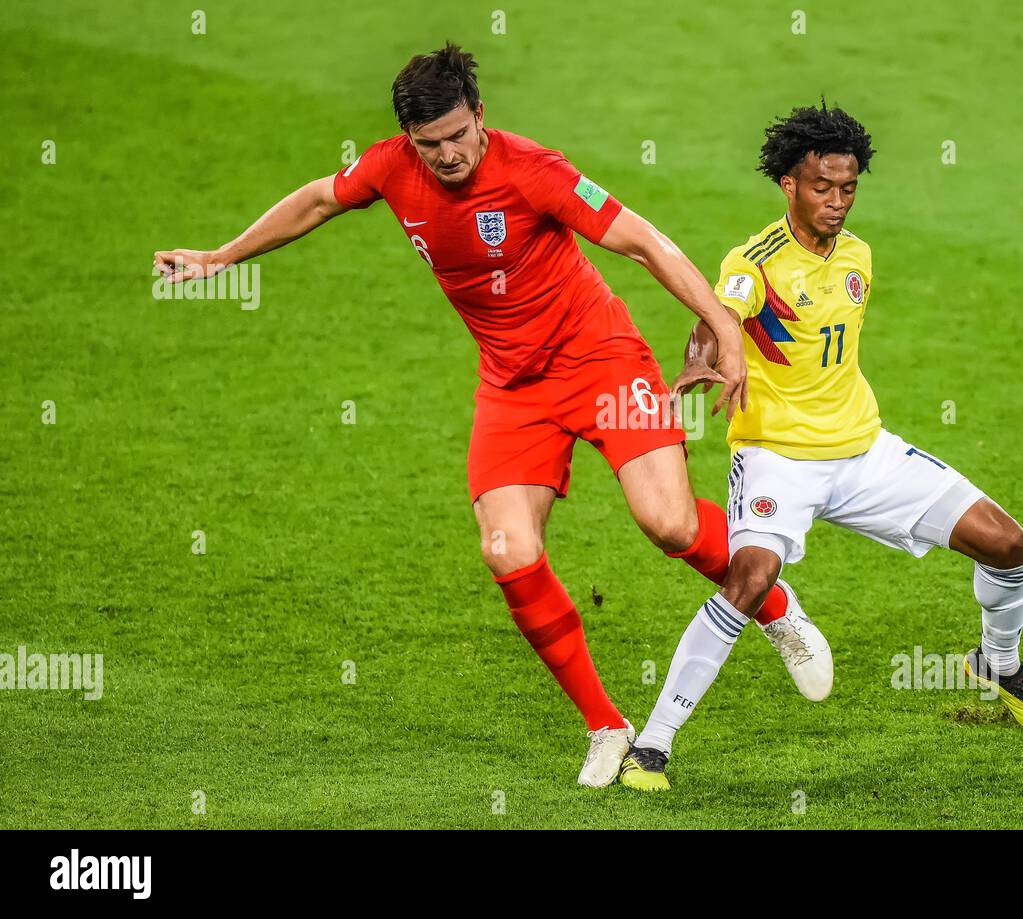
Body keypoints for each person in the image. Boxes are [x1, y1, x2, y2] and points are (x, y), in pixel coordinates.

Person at [153, 44, 832, 788]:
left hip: (600, 359)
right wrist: (224, 257)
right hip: (513, 387)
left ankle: (772, 602)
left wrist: (722, 327)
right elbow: (318, 198)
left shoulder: (533, 169)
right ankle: (606, 726)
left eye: (456, 136)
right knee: (507, 549)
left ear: (481, 116)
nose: (445, 155)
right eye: (428, 144)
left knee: (667, 523)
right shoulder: (388, 167)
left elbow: (642, 240)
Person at [621, 102, 1023, 792]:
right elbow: (717, 315)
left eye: (848, 188)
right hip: (776, 457)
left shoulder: (858, 256)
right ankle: (652, 745)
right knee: (751, 578)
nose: (836, 202)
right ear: (788, 185)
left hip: (864, 453)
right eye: (821, 187)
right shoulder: (754, 260)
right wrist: (705, 354)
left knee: (1006, 541)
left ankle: (998, 661)